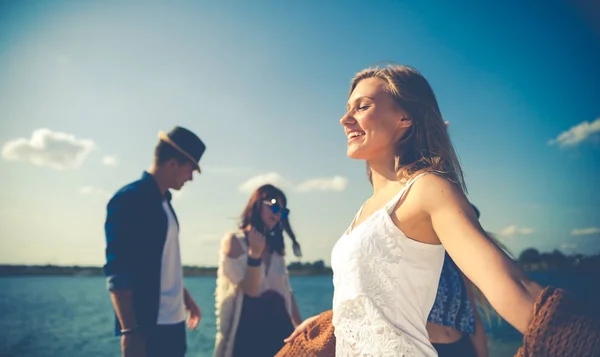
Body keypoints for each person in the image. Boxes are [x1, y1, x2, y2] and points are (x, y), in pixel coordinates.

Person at [282, 64, 545, 356]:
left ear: (405, 117)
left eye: (362, 107)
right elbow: (375, 304)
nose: (345, 119)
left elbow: (512, 284)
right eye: (348, 109)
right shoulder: (363, 212)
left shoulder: (428, 189)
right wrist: (328, 320)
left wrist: (574, 338)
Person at [103, 126, 205, 357]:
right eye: (191, 170)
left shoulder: (166, 204)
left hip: (174, 323)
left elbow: (164, 264)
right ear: (172, 164)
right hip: (147, 327)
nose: (190, 177)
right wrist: (130, 331)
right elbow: (118, 271)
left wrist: (187, 300)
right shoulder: (128, 200)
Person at [214, 184, 303, 357]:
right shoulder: (234, 241)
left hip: (279, 332)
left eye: (283, 211)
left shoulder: (275, 250)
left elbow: (286, 292)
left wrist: (300, 328)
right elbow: (251, 290)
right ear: (257, 204)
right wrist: (254, 255)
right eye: (274, 206)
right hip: (248, 335)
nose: (277, 214)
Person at [426, 203, 489, 357]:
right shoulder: (416, 258)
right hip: (428, 349)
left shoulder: (458, 263)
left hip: (463, 347)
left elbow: (472, 312)